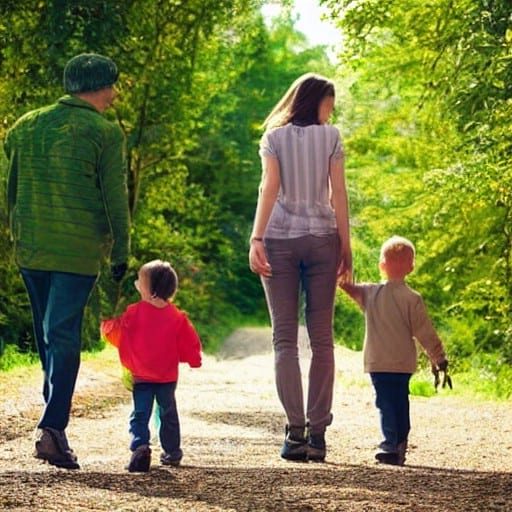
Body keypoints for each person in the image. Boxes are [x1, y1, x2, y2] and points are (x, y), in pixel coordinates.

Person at [3, 53, 130, 469]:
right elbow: (115, 199)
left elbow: (13, 187)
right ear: (99, 86)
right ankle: (53, 428)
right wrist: (121, 252)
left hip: (31, 245)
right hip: (76, 250)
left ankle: (50, 419)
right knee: (63, 333)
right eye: (111, 86)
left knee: (47, 332)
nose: (113, 94)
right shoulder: (105, 133)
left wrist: (15, 231)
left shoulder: (25, 127)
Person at [248, 73, 352, 462]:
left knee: (284, 340)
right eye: (330, 102)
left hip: (279, 240)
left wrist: (256, 238)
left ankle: (295, 433)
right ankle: (319, 434)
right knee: (322, 338)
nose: (332, 110)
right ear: (317, 101)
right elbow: (337, 192)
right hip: (323, 239)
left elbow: (268, 188)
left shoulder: (273, 138)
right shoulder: (333, 137)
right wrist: (347, 244)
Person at [339, 235, 448, 465]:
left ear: (382, 265)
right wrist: (439, 358)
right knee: (400, 400)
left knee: (385, 402)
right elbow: (425, 332)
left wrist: (339, 265)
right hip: (402, 363)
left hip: (378, 362)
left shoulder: (370, 293)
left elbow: (346, 285)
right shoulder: (412, 298)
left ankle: (390, 443)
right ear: (411, 266)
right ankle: (398, 441)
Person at [100, 259, 202, 472]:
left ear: (151, 289)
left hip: (142, 377)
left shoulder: (134, 312)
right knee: (168, 413)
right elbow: (189, 340)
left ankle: (140, 446)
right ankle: (172, 452)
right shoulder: (177, 317)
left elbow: (121, 332)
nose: (137, 283)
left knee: (140, 413)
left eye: (140, 280)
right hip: (167, 378)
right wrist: (194, 359)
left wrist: (106, 327)